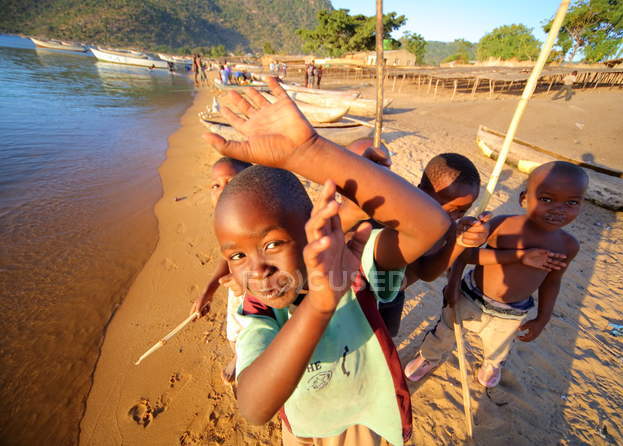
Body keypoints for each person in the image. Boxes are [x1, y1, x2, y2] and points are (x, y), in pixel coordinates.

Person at [204, 77, 451, 445]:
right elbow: (254, 408)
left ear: (309, 230)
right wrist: (320, 302)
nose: (256, 269)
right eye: (237, 255)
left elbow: (432, 226)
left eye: (272, 244)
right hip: (304, 429)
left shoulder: (356, 269)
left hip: (364, 419)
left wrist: (309, 152)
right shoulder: (257, 308)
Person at [405, 161, 587, 387]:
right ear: (524, 199)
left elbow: (552, 282)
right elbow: (466, 256)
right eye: (546, 199)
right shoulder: (503, 225)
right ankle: (429, 357)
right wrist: (453, 284)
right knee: (445, 331)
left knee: (499, 346)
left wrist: (543, 318)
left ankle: (492, 364)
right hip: (471, 296)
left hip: (513, 310)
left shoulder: (568, 245)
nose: (558, 209)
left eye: (571, 202)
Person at [338, 150, 491, 338]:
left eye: (461, 212)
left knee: (384, 336)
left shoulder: (448, 228)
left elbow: (426, 272)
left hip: (392, 294)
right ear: (419, 192)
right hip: (358, 291)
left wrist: (459, 242)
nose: (452, 217)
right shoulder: (392, 217)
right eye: (447, 209)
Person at [190, 157, 252, 383]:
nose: (223, 190)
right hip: (235, 291)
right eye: (216, 185)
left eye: (232, 182)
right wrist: (210, 289)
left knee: (261, 335)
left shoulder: (261, 219)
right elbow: (225, 255)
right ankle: (238, 357)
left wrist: (246, 279)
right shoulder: (225, 223)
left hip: (264, 290)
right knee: (234, 333)